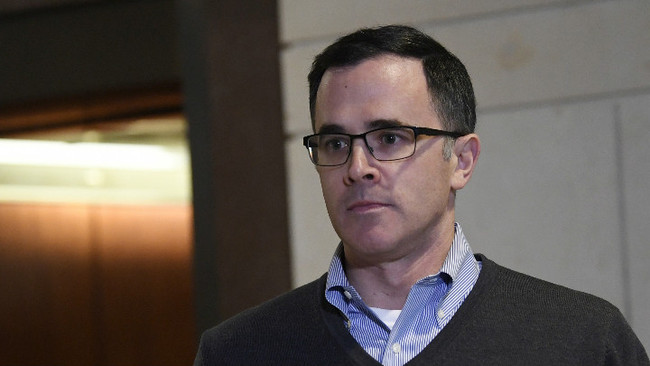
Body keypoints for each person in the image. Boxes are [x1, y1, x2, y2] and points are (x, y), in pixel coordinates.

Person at [194, 25, 649, 365]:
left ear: (463, 160)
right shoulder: (238, 352)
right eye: (335, 144)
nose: (358, 168)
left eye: (390, 138)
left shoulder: (582, 341)